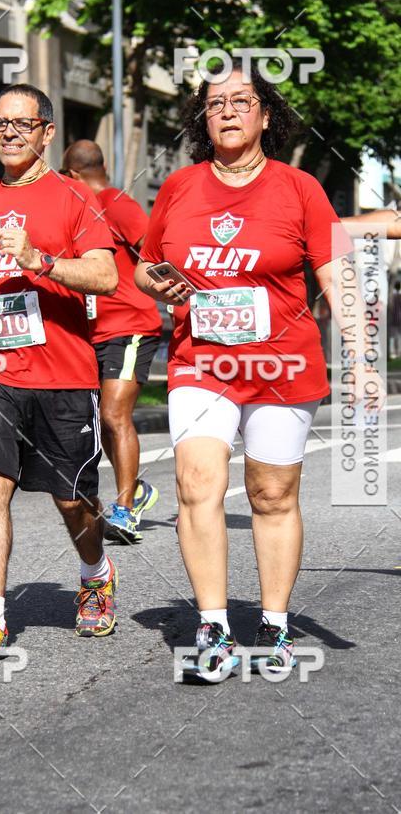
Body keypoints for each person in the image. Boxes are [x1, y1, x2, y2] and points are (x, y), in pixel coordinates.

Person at [134, 61, 382, 681]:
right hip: (202, 360)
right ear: (202, 118)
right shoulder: (180, 188)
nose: (228, 110)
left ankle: (273, 624)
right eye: (216, 103)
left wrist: (364, 362)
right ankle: (212, 630)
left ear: (265, 115)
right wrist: (156, 282)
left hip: (282, 363)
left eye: (242, 100)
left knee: (273, 496)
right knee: (197, 484)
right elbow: (144, 265)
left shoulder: (299, 189)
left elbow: (337, 276)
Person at [0, 84, 119, 660]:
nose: (9, 133)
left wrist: (39, 261)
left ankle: (95, 572)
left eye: (22, 124)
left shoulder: (74, 198)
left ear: (47, 132)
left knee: (72, 500)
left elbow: (105, 276)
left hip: (64, 375)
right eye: (0, 123)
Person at [62, 140, 162, 542]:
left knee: (114, 415)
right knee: (100, 421)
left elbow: (154, 253)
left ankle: (124, 509)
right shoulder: (79, 211)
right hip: (91, 334)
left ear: (73, 176)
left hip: (131, 326)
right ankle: (135, 489)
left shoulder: (116, 203)